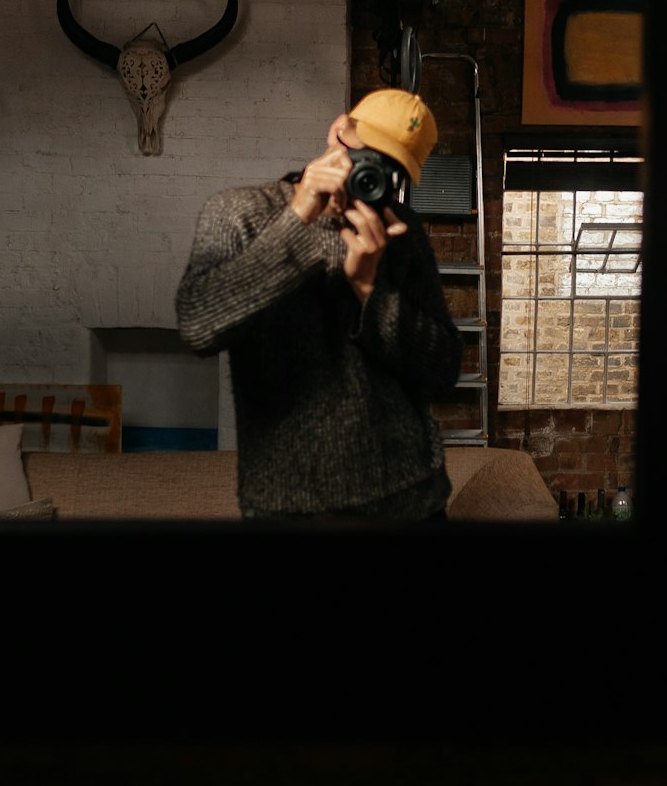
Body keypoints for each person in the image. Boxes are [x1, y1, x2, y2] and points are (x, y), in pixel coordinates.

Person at [175, 88, 462, 522]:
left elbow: (442, 371)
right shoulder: (239, 213)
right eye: (365, 152)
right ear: (337, 130)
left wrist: (369, 289)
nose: (370, 172)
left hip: (413, 498)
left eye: (390, 167)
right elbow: (198, 325)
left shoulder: (401, 231)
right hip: (290, 506)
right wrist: (300, 223)